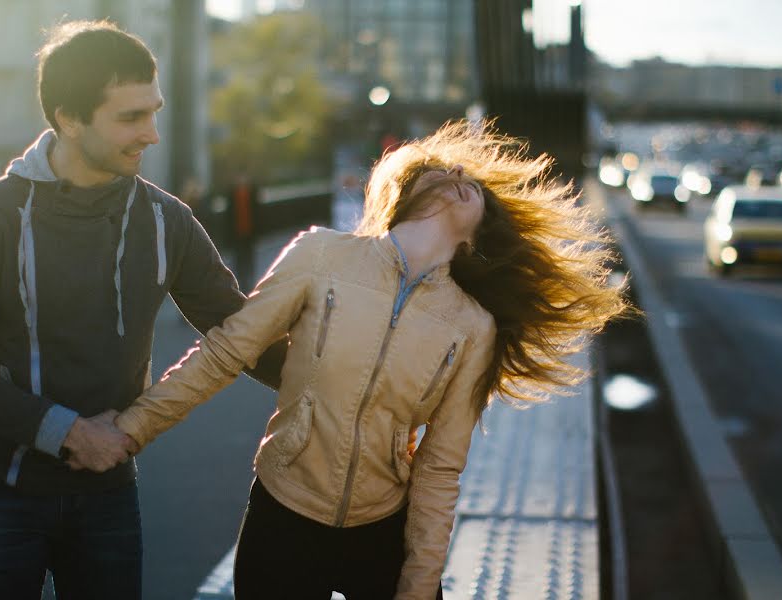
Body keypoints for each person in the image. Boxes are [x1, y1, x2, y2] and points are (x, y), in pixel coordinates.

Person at [109, 121, 627, 599]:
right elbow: (224, 352)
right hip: (284, 515)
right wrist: (129, 430)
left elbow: (441, 466)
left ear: (474, 240)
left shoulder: (473, 328)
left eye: (477, 191)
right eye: (443, 169)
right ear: (407, 191)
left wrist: (420, 584)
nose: (458, 173)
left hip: (383, 528)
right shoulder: (321, 255)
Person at [0, 20, 282, 599]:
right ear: (68, 118)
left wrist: (364, 381)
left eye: (154, 111)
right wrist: (68, 433)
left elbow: (241, 331)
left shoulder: (167, 220)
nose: (152, 134)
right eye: (131, 117)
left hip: (108, 492)